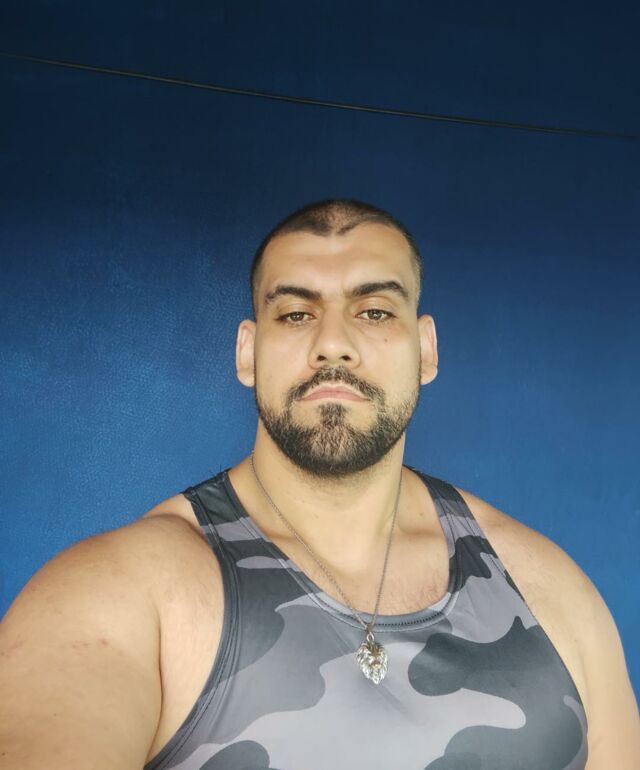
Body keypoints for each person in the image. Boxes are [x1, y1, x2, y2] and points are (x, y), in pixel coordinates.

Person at [0, 199, 637, 769]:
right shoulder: (123, 594)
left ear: (426, 350)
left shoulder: (547, 588)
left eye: (375, 311)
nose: (333, 343)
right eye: (297, 313)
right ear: (247, 353)